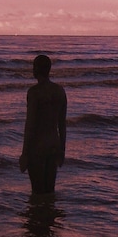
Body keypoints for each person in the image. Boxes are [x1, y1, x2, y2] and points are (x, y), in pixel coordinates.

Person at [19, 55, 67, 195]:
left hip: (37, 146)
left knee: (37, 192)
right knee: (49, 191)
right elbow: (62, 124)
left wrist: (24, 154)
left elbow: (30, 124)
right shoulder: (59, 91)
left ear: (36, 69)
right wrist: (62, 150)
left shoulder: (34, 92)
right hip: (53, 144)